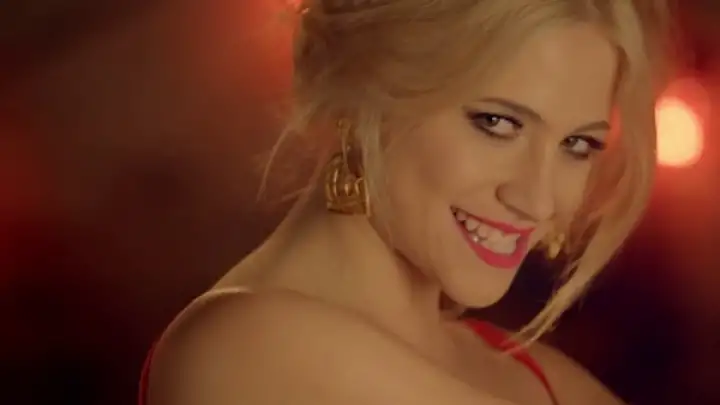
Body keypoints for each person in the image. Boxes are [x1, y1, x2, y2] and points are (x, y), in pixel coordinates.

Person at [142, 1, 671, 404]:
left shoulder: (534, 373)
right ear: (363, 94)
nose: (537, 198)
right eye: (496, 123)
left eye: (577, 145)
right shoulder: (246, 348)